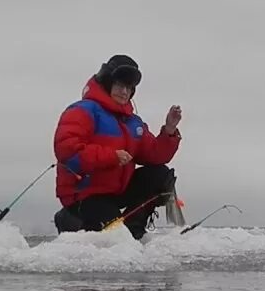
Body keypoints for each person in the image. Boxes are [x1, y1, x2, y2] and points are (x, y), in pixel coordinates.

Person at [52, 54, 183, 239]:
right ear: (107, 83)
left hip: (116, 192)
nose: (125, 92)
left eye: (129, 88)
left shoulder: (133, 122)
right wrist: (111, 156)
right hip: (85, 195)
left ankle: (134, 228)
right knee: (113, 239)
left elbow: (155, 155)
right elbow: (66, 151)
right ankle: (69, 218)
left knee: (160, 175)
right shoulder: (82, 111)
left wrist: (169, 130)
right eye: (120, 85)